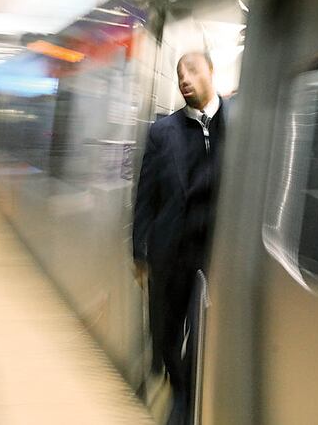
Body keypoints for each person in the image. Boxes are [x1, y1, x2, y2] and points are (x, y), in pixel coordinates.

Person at [133, 51, 227, 425]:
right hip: (171, 252)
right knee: (168, 331)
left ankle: (186, 400)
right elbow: (146, 195)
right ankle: (178, 386)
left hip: (215, 255)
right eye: (179, 74)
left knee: (201, 328)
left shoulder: (236, 123)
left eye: (192, 70)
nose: (184, 78)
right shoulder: (162, 132)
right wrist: (139, 250)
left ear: (211, 72)